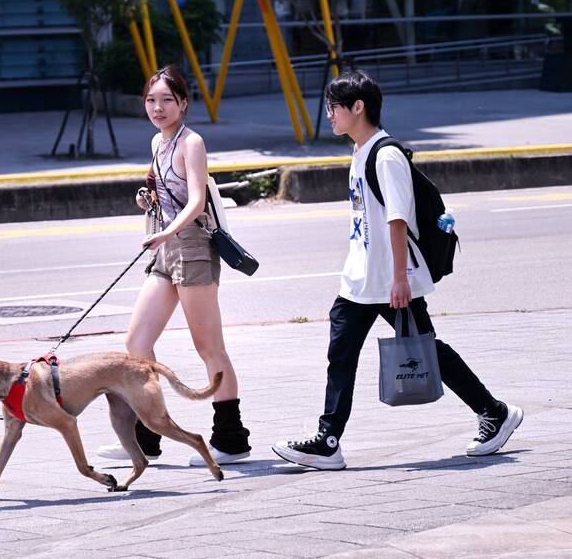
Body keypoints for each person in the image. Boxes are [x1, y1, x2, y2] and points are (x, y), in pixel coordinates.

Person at [272, 70, 523, 470]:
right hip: (360, 279)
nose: (329, 115)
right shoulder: (358, 150)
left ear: (358, 107)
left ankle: (494, 412)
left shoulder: (384, 154)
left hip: (390, 280)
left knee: (427, 349)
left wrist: (400, 279)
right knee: (341, 355)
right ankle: (328, 440)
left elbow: (397, 218)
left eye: (333, 107)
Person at [97, 65, 252, 465]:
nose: (158, 107)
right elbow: (163, 190)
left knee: (209, 347)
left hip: (193, 248)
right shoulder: (157, 142)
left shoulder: (192, 143)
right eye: (151, 100)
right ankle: (148, 436)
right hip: (166, 251)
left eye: (167, 100)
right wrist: (146, 200)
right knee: (136, 343)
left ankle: (231, 440)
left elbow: (197, 201)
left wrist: (166, 233)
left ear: (183, 103)